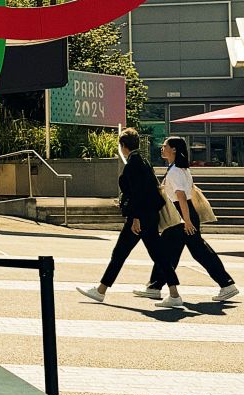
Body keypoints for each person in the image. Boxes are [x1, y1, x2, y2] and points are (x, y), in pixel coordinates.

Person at [78, 129, 175, 303]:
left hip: (139, 217)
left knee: (121, 253)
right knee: (157, 255)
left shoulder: (133, 164)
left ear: (123, 146)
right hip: (149, 215)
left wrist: (135, 217)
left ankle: (101, 291)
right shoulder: (144, 161)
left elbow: (137, 193)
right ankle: (174, 294)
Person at [153, 136, 238, 306]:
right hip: (184, 213)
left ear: (174, 149)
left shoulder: (176, 170)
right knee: (190, 251)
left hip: (182, 214)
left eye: (165, 146)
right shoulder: (179, 169)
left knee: (184, 251)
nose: (162, 148)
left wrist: (187, 220)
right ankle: (155, 286)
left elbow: (181, 197)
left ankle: (157, 287)